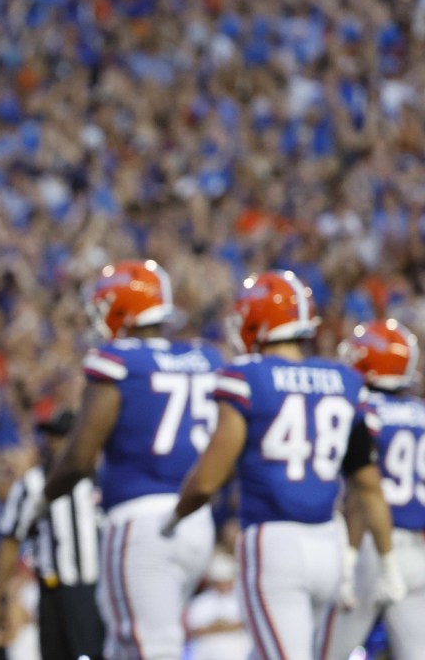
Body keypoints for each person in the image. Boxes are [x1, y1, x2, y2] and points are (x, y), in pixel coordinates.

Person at [164, 270, 404, 660]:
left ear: (257, 320)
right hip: (328, 542)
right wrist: (386, 556)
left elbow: (209, 478)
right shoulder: (344, 379)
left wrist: (173, 519)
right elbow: (367, 484)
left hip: (274, 544)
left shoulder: (249, 376)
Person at [44, 259, 221, 659]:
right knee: (127, 646)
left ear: (121, 309)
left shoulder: (118, 361)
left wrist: (45, 497)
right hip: (196, 521)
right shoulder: (205, 359)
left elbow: (80, 457)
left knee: (147, 647)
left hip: (142, 523)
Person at [320, 319, 425, 660]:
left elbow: (359, 492)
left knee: (328, 652)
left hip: (368, 547)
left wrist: (348, 562)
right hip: (417, 550)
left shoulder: (362, 411)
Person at [0, 407, 103, 660]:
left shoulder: (101, 480)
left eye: (62, 436)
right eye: (52, 436)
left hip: (96, 589)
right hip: (52, 589)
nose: (55, 443)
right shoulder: (33, 484)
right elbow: (11, 540)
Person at [184, 552, 251, 660]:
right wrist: (225, 625)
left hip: (238, 654)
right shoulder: (200, 601)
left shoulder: (242, 598)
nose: (223, 584)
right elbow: (196, 629)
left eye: (226, 581)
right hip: (206, 654)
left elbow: (245, 624)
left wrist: (215, 626)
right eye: (220, 581)